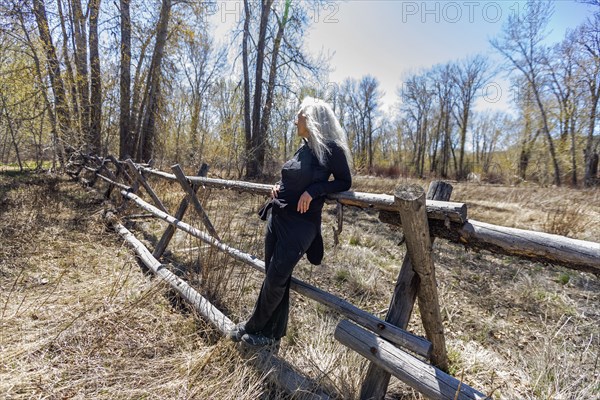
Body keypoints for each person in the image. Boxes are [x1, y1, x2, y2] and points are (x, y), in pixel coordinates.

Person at [229, 96, 352, 348]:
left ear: (311, 119)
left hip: (301, 224)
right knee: (274, 276)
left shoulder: (331, 149)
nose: (295, 120)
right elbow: (292, 176)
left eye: (299, 115)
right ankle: (270, 335)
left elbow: (344, 182)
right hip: (278, 216)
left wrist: (315, 190)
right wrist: (278, 186)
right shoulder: (304, 147)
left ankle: (252, 327)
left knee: (276, 277)